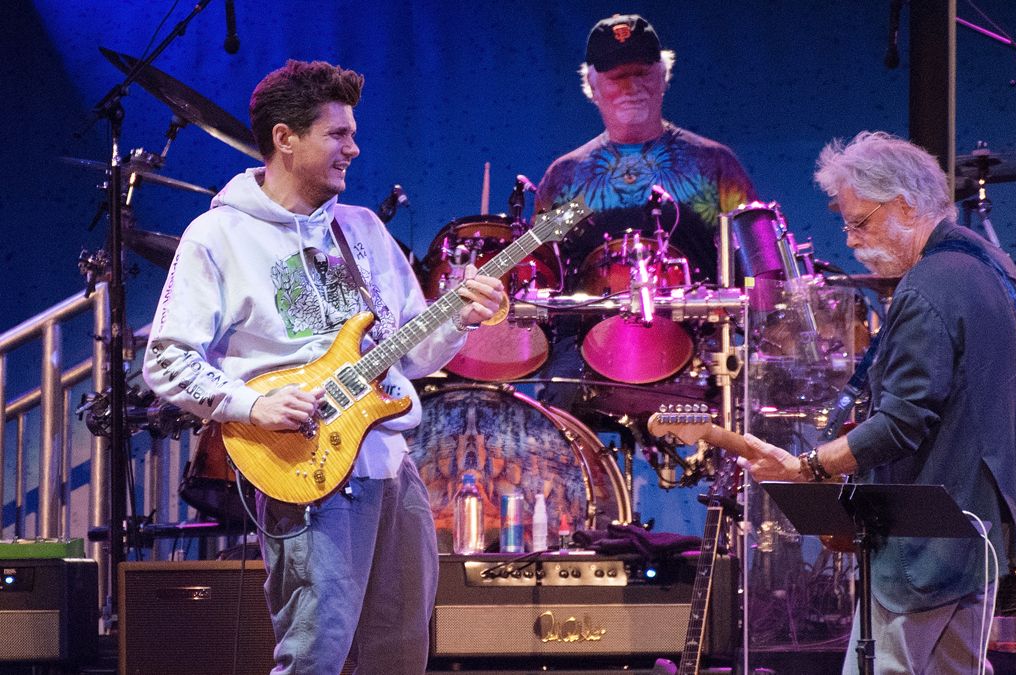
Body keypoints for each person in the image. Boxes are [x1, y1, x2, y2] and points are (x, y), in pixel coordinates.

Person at [142, 60, 504, 674]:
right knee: (315, 658)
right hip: (305, 473)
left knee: (400, 657)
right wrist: (252, 404)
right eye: (338, 135)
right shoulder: (218, 236)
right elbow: (166, 360)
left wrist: (460, 316)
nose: (354, 149)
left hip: (391, 470)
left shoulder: (361, 229)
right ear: (285, 138)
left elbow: (409, 354)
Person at [737, 131, 1016, 674]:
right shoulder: (993, 266)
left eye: (860, 223)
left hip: (926, 542)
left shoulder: (927, 289)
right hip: (977, 531)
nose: (851, 240)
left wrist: (810, 464)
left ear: (905, 205)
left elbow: (901, 424)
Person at [535, 13, 757, 283]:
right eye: (618, 77)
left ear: (663, 76)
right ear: (593, 87)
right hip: (589, 325)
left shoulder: (715, 164)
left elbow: (759, 263)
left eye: (642, 73)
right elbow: (541, 273)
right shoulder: (564, 177)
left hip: (701, 323)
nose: (632, 87)